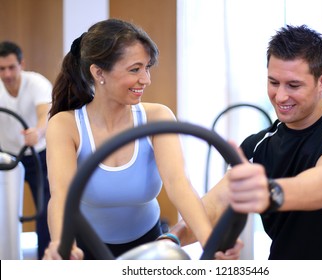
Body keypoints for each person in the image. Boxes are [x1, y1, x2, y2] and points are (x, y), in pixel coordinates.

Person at [169, 24, 322, 260]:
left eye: (293, 85)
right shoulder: (256, 147)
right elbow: (214, 207)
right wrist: (171, 239)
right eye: (273, 82)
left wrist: (270, 193)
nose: (280, 96)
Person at [42, 18, 215, 260]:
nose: (146, 79)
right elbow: (61, 196)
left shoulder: (157, 116)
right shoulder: (65, 125)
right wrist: (62, 243)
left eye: (147, 68)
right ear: (98, 72)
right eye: (135, 69)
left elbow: (179, 184)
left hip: (147, 244)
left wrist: (210, 241)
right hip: (87, 246)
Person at [0, 41, 52, 260]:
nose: (7, 74)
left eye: (12, 67)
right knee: (6, 212)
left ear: (22, 64)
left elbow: (46, 113)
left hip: (38, 154)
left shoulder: (36, 83)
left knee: (46, 210)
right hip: (7, 158)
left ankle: (46, 261)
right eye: (2, 69)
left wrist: (38, 132)